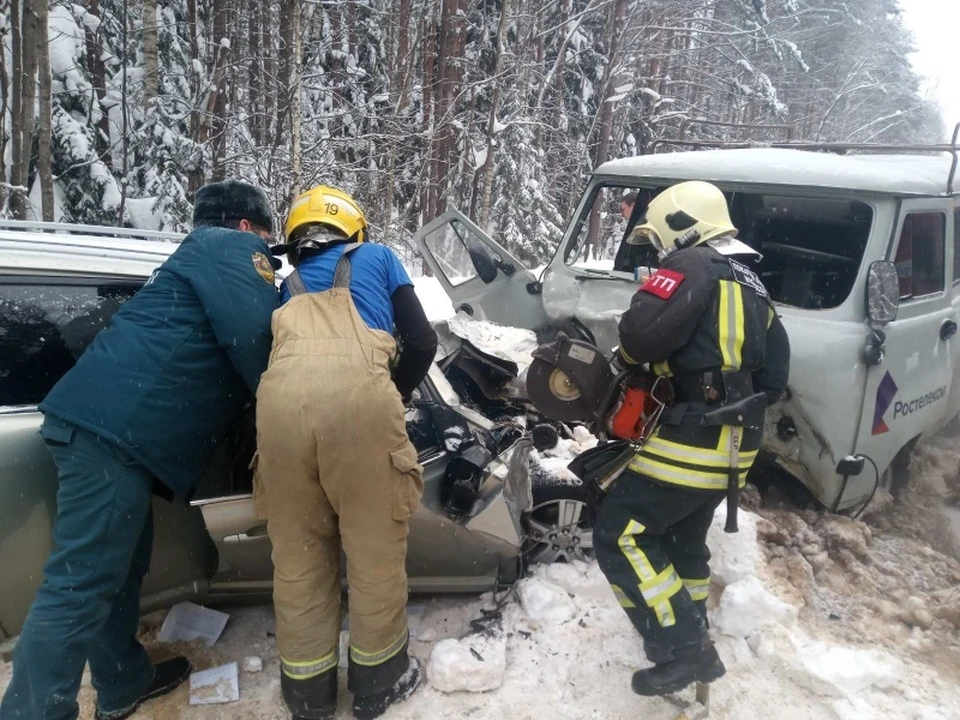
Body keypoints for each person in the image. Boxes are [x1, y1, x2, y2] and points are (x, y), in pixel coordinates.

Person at [0, 180, 280, 720]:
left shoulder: (186, 264)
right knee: (80, 585)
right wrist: (284, 403)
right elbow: (255, 340)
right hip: (114, 434)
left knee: (117, 570)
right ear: (246, 226)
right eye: (265, 239)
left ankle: (123, 682)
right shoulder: (229, 248)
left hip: (106, 428)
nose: (266, 253)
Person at [593, 180, 790, 697]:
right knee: (682, 542)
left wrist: (645, 358)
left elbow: (638, 338)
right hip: (736, 440)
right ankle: (689, 631)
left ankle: (684, 649)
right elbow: (774, 378)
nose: (658, 249)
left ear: (682, 225)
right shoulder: (754, 282)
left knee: (621, 533)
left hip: (692, 435)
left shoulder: (690, 267)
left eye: (660, 237)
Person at [255, 185, 438, 720]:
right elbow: (422, 341)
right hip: (359, 409)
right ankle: (379, 683)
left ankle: (307, 695)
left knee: (298, 557)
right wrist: (392, 395)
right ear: (352, 231)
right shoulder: (377, 257)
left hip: (281, 414)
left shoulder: (285, 284)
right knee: (374, 549)